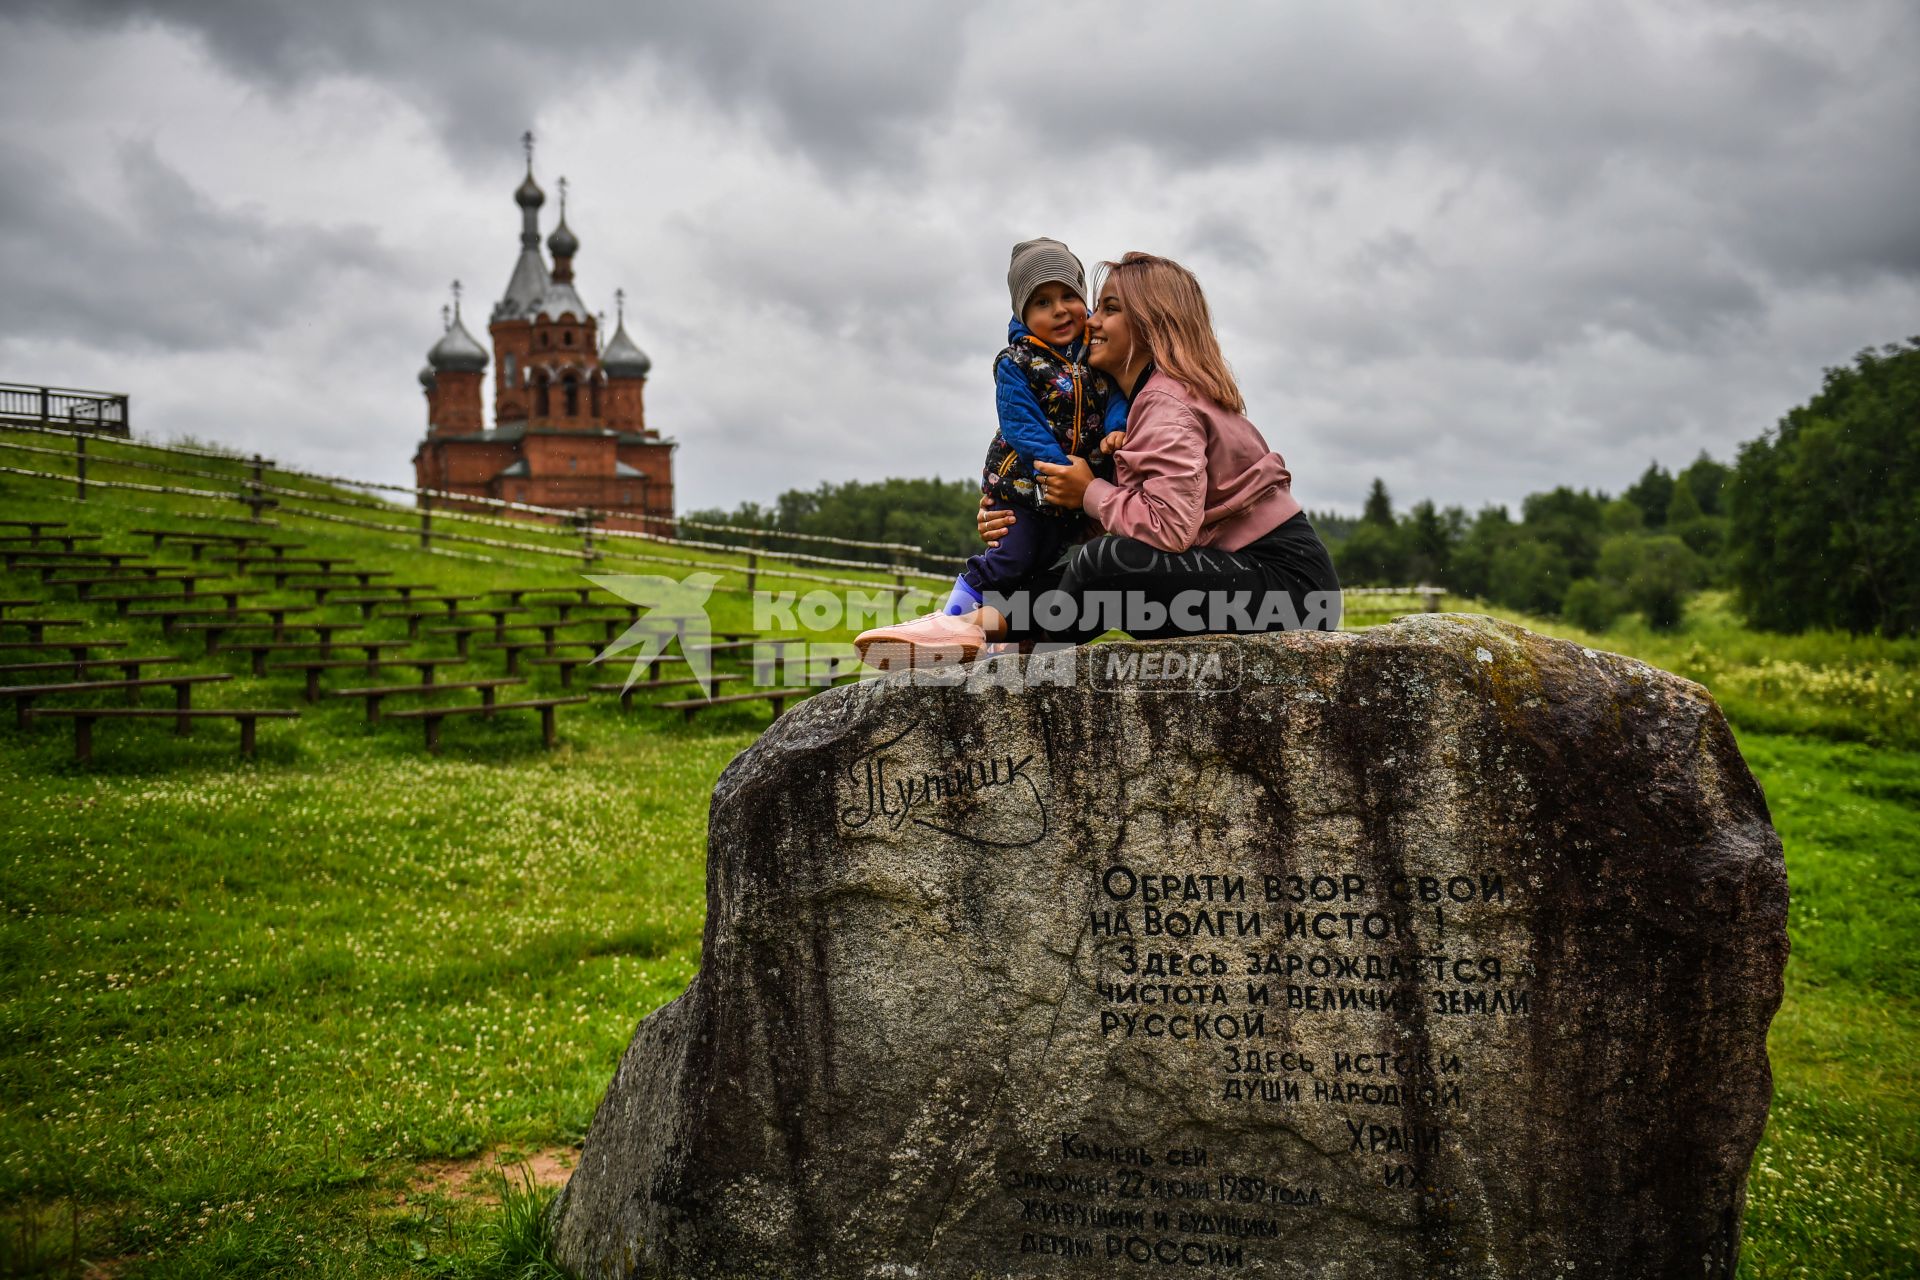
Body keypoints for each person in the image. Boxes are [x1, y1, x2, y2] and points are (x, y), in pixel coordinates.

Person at [857, 251, 1339, 665]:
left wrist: (1088, 490)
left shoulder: (1167, 404)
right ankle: (969, 628)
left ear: (1150, 326)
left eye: (1108, 309)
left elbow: (1168, 530)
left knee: (1107, 563)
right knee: (1073, 571)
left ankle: (1021, 665)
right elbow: (1123, 513)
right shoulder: (1132, 412)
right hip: (1233, 576)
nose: (1089, 321)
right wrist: (1024, 515)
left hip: (1289, 590)